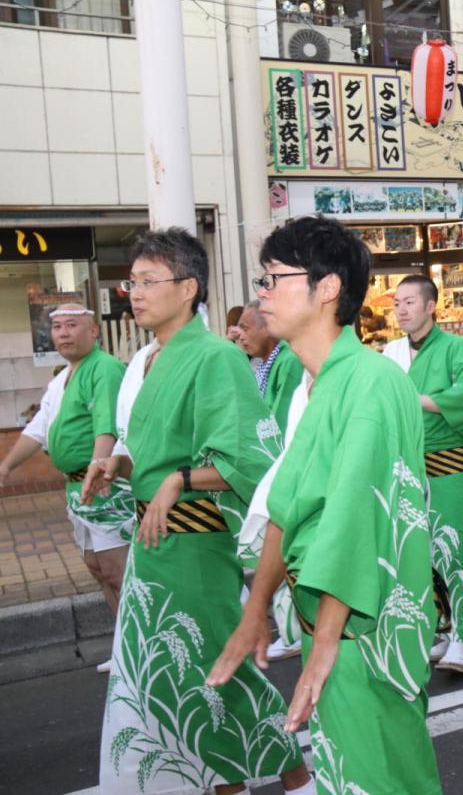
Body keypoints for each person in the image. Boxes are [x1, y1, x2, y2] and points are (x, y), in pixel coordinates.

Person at [209, 217, 441, 794]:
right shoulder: (310, 386)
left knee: (383, 777)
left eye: (273, 279)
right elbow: (283, 505)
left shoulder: (371, 381)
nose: (260, 295)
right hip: (331, 619)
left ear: (328, 287)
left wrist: (327, 644)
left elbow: (354, 516)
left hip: (365, 626)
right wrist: (256, 608)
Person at [82, 229, 310, 795]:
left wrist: (179, 480)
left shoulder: (214, 357)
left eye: (148, 281)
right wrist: (124, 466)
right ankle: (223, 784)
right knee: (176, 676)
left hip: (194, 542)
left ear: (187, 288)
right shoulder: (149, 358)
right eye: (130, 282)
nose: (133, 293)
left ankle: (298, 778)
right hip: (155, 544)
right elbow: (165, 454)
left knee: (213, 667)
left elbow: (249, 459)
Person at [0, 303, 134, 671]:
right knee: (96, 566)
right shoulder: (61, 378)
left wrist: (98, 469)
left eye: (72, 325)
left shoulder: (103, 369)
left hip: (104, 484)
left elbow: (107, 427)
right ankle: (126, 649)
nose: (63, 333)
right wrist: (7, 466)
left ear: (94, 331)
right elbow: (38, 428)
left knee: (117, 570)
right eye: (57, 326)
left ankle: (139, 653)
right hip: (77, 488)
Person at [385, 275, 463, 674]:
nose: (401, 309)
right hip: (412, 466)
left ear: (431, 306)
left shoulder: (455, 347)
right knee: (425, 553)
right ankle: (446, 627)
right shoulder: (392, 352)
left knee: (457, 547)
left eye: (410, 302)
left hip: (449, 461)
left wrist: (416, 400)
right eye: (398, 303)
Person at [233, 299, 307, 661]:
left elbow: (276, 423)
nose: (239, 334)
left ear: (268, 328)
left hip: (280, 466)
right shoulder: (269, 362)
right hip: (272, 466)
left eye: (247, 327)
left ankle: (292, 632)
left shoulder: (287, 361)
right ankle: (289, 629)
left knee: (278, 548)